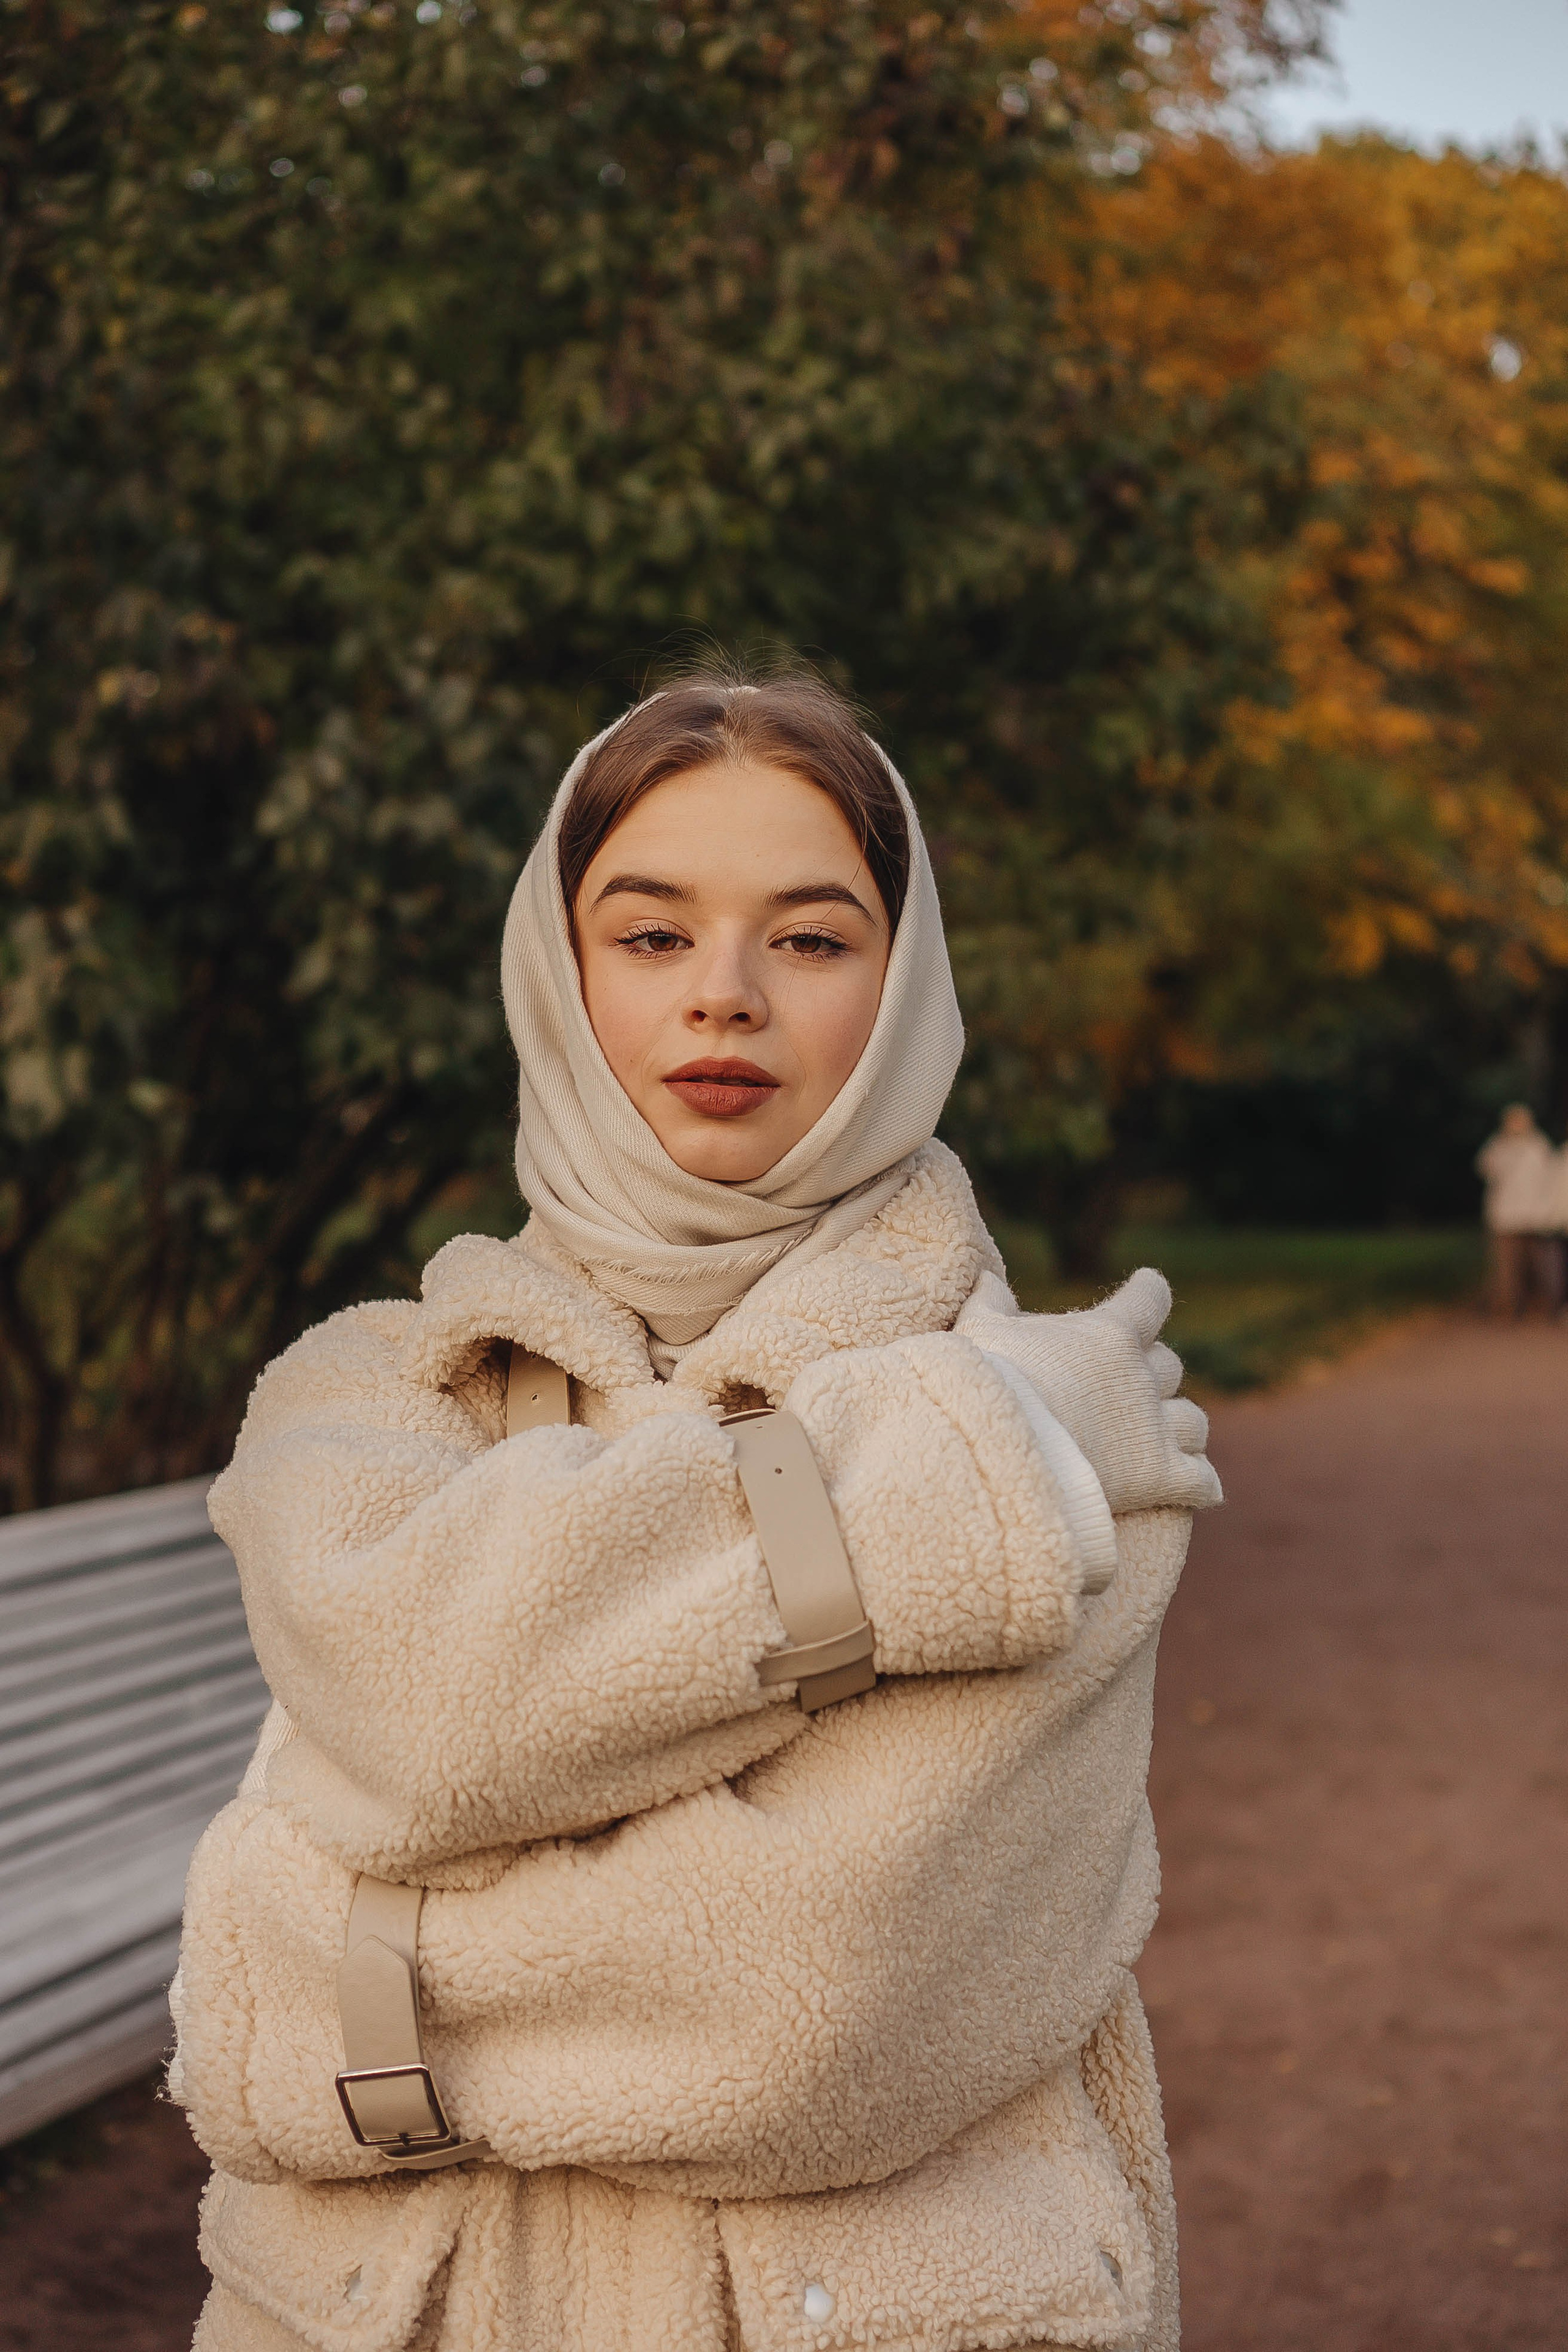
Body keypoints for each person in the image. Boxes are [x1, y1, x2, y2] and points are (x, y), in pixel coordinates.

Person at [172, 669, 1221, 2352]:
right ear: (560, 972)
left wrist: (328, 1989)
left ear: (902, 985)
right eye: (652, 934)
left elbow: (816, 2011)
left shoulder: (1097, 1439)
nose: (723, 994)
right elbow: (431, 1706)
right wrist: (941, 1471)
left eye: (807, 938)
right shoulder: (373, 1390)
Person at [1476, 1104, 1558, 1315]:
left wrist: (1549, 1213)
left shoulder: (1539, 1146)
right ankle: (1509, 1306)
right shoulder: (1498, 1146)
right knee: (1507, 1267)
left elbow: (1550, 1180)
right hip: (1505, 1217)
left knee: (1539, 1264)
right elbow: (1485, 1168)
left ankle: (1545, 1305)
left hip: (1535, 1217)